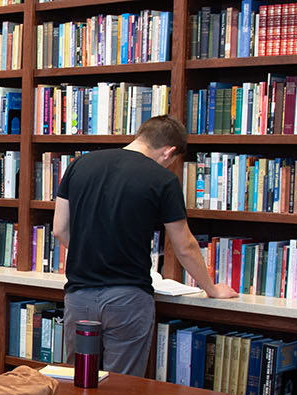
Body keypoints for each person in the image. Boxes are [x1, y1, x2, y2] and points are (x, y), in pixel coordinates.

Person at [51, 114, 238, 378]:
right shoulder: (163, 180)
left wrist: (91, 251)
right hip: (127, 298)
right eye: (173, 160)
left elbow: (60, 228)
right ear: (169, 152)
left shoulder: (79, 164)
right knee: (121, 391)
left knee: (78, 382)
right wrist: (212, 288)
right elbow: (184, 245)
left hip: (79, 296)